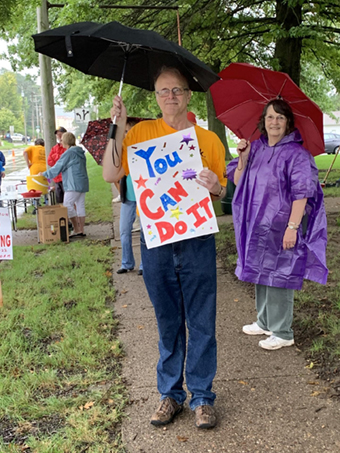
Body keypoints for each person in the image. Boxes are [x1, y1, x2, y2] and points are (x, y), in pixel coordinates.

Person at [102, 66, 226, 429]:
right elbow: (111, 175)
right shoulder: (140, 134)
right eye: (162, 91)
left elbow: (219, 193)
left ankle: (202, 396)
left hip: (197, 240)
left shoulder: (209, 141)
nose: (170, 96)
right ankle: (170, 394)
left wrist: (216, 185)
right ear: (155, 97)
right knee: (167, 320)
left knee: (202, 321)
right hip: (156, 240)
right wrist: (117, 127)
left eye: (177, 90)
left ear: (188, 96)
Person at [227, 99, 328, 351]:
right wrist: (243, 158)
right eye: (271, 117)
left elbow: (302, 193)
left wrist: (292, 228)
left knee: (281, 273)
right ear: (263, 120)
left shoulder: (297, 155)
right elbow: (238, 182)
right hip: (257, 225)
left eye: (280, 118)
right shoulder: (257, 149)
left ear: (288, 123)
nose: (275, 122)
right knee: (260, 271)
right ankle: (264, 321)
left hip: (283, 225)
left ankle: (282, 331)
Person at [40, 132, 89, 238]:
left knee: (67, 204)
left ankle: (76, 229)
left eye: (61, 140)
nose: (60, 141)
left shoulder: (69, 153)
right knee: (80, 205)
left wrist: (44, 174)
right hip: (82, 182)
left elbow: (58, 166)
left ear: (66, 141)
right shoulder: (79, 152)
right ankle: (81, 229)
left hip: (73, 183)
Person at [117, 119, 143, 275]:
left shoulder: (145, 148)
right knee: (124, 230)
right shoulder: (122, 150)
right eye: (125, 131)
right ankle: (127, 263)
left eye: (131, 131)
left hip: (144, 197)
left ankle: (144, 264)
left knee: (145, 232)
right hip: (128, 197)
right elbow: (115, 173)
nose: (128, 134)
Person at [47, 127, 67, 203]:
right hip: (57, 178)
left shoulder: (67, 147)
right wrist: (58, 158)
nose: (58, 136)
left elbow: (65, 161)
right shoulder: (54, 148)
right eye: (57, 135)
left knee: (68, 199)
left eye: (60, 134)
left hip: (66, 178)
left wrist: (56, 157)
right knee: (59, 199)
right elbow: (50, 161)